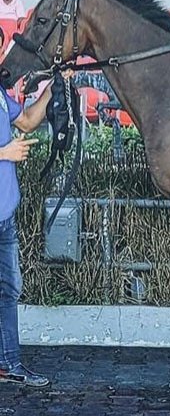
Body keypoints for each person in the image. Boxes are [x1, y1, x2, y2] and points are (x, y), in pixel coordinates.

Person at [0, 35, 60, 387]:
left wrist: (53, 88)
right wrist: (3, 154)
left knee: (8, 291)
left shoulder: (1, 95)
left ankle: (10, 364)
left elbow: (26, 122)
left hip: (5, 216)